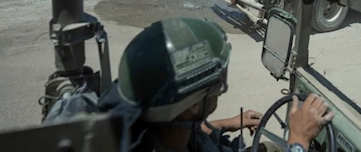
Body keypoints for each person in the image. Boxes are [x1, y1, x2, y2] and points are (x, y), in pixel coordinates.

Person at [97, 17, 333, 152]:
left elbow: (184, 132)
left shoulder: (145, 130)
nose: (221, 86)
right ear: (191, 106)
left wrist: (228, 123)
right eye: (215, 83)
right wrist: (299, 140)